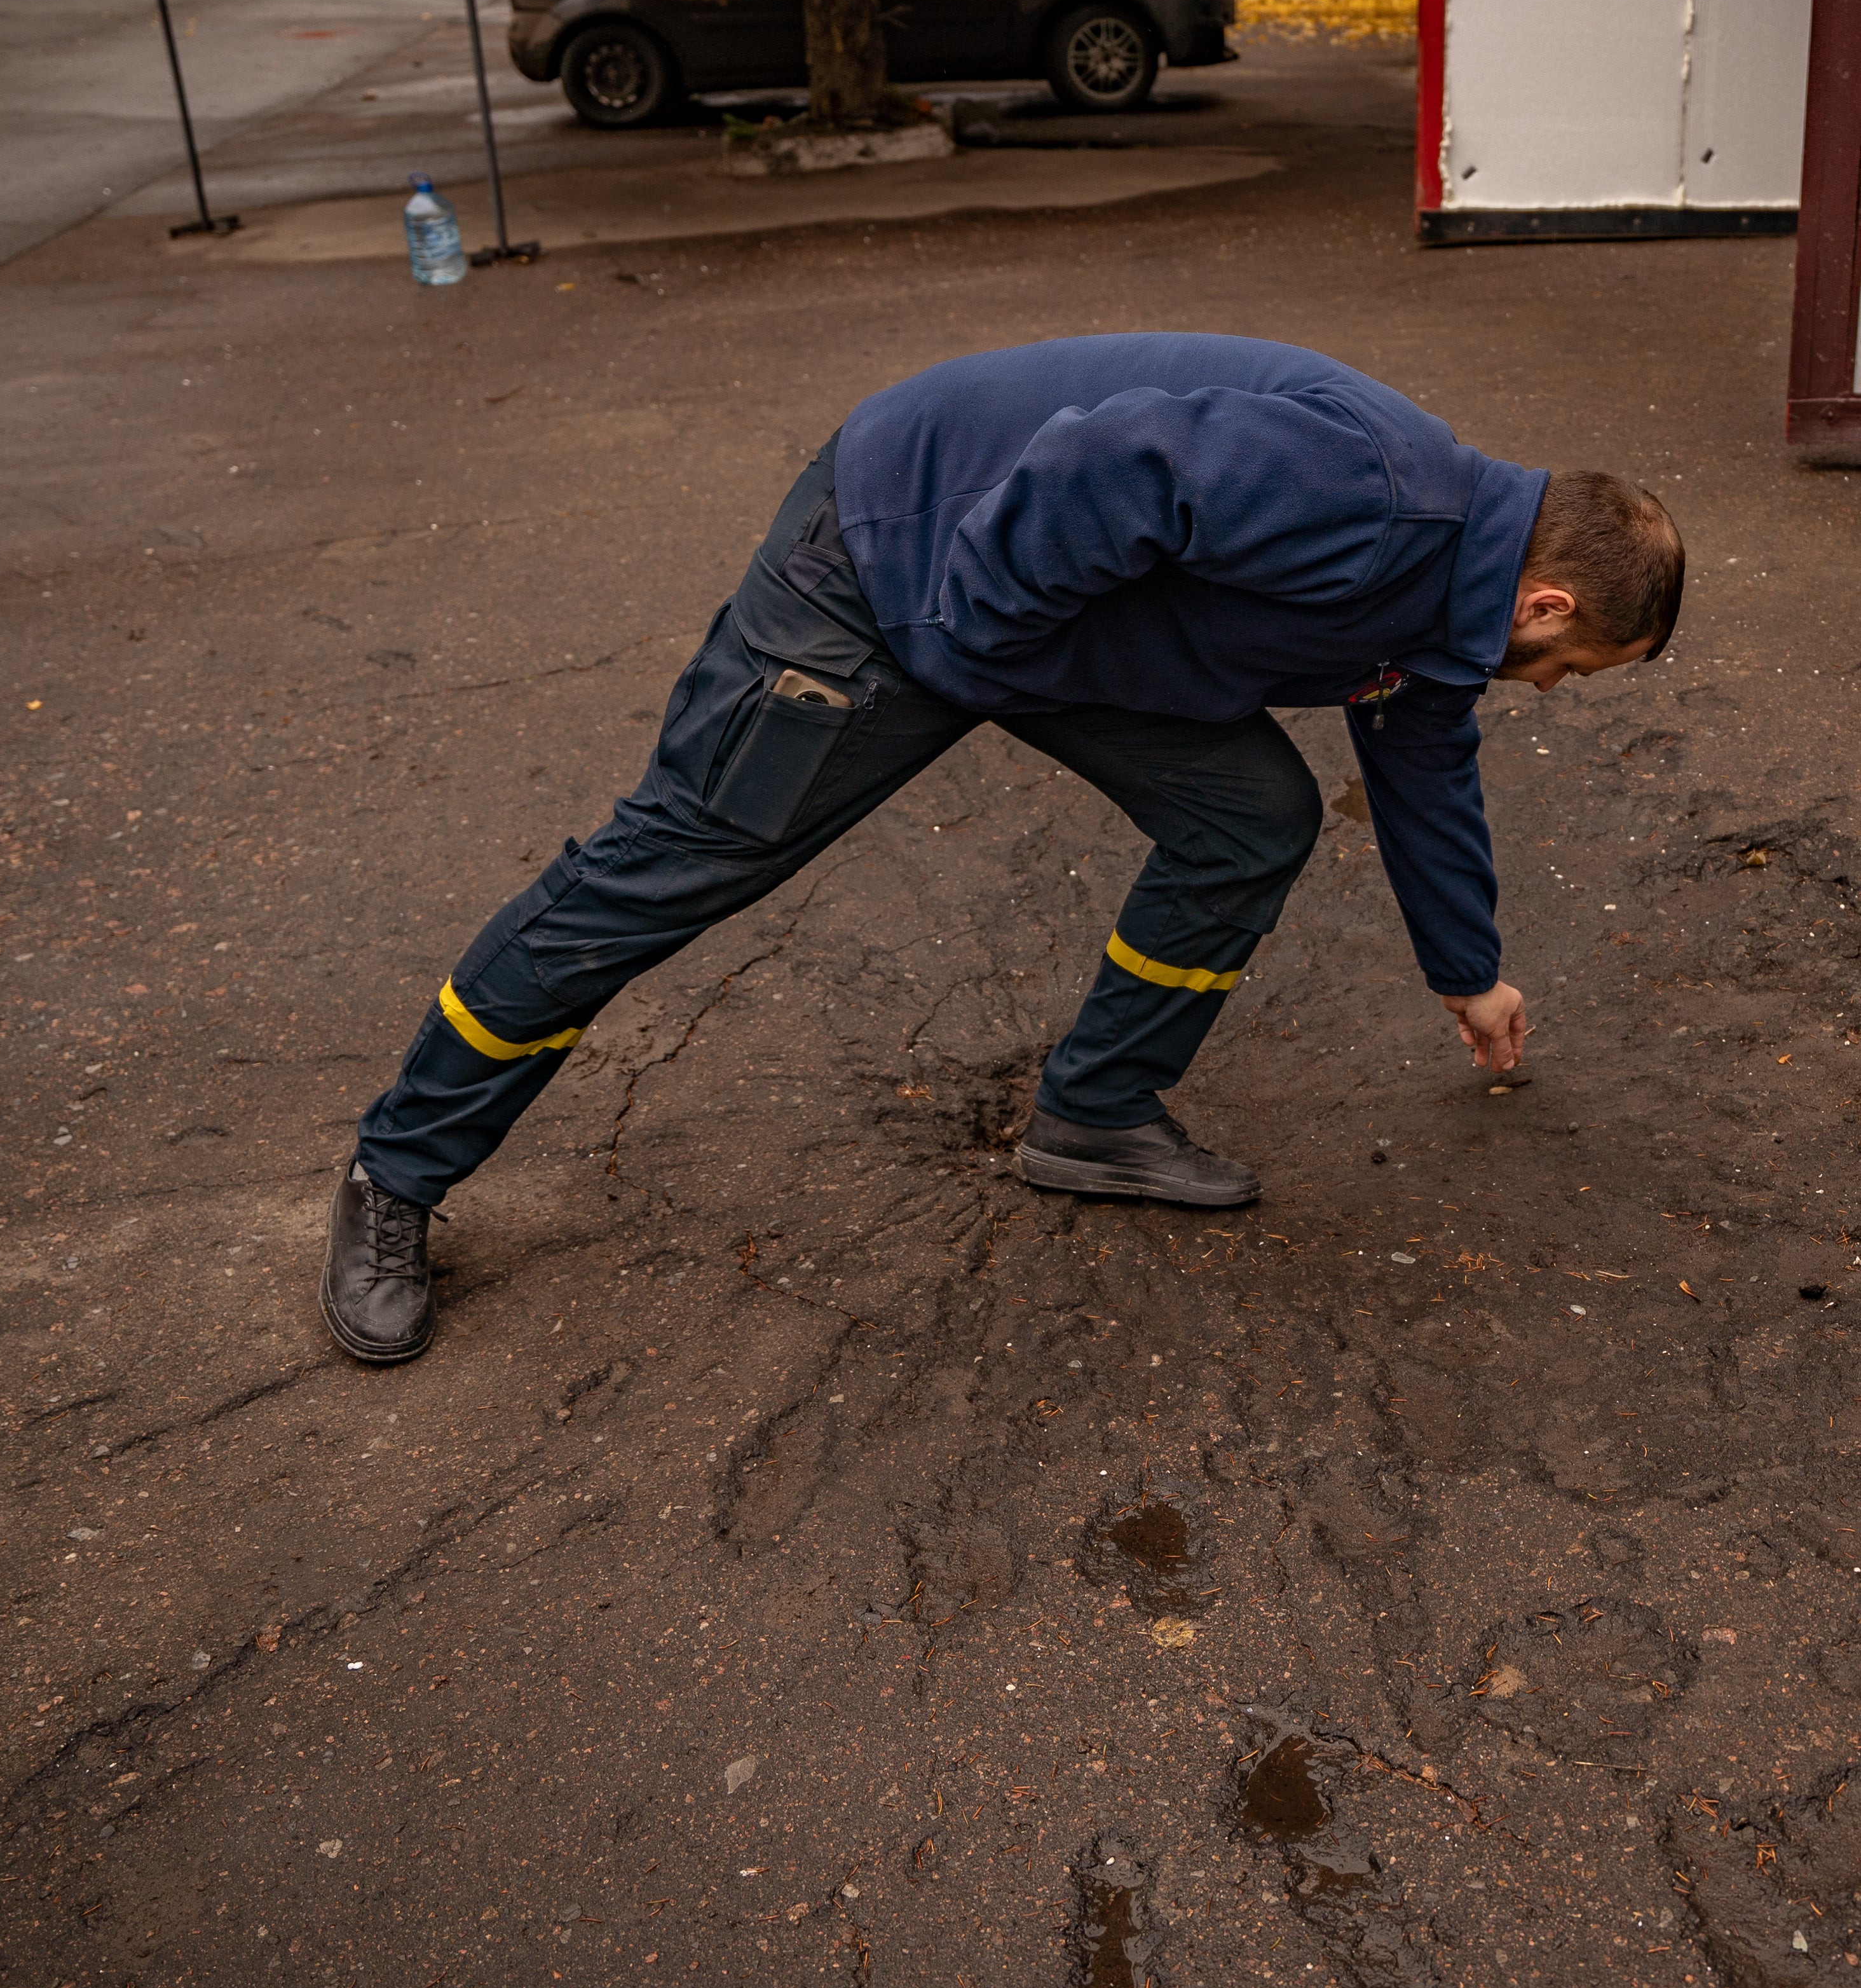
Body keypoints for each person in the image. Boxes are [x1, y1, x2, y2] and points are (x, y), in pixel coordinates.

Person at [319, 332, 1683, 1365]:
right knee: (674, 863)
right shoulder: (1377, 498)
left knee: (1250, 817)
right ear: (1546, 598)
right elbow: (1114, 459)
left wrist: (1469, 968)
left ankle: (1096, 1113)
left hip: (1037, 619)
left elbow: (1424, 756)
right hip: (895, 566)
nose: (1556, 687)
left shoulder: (1450, 610)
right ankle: (401, 1168)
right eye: (1573, 666)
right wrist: (977, 634)